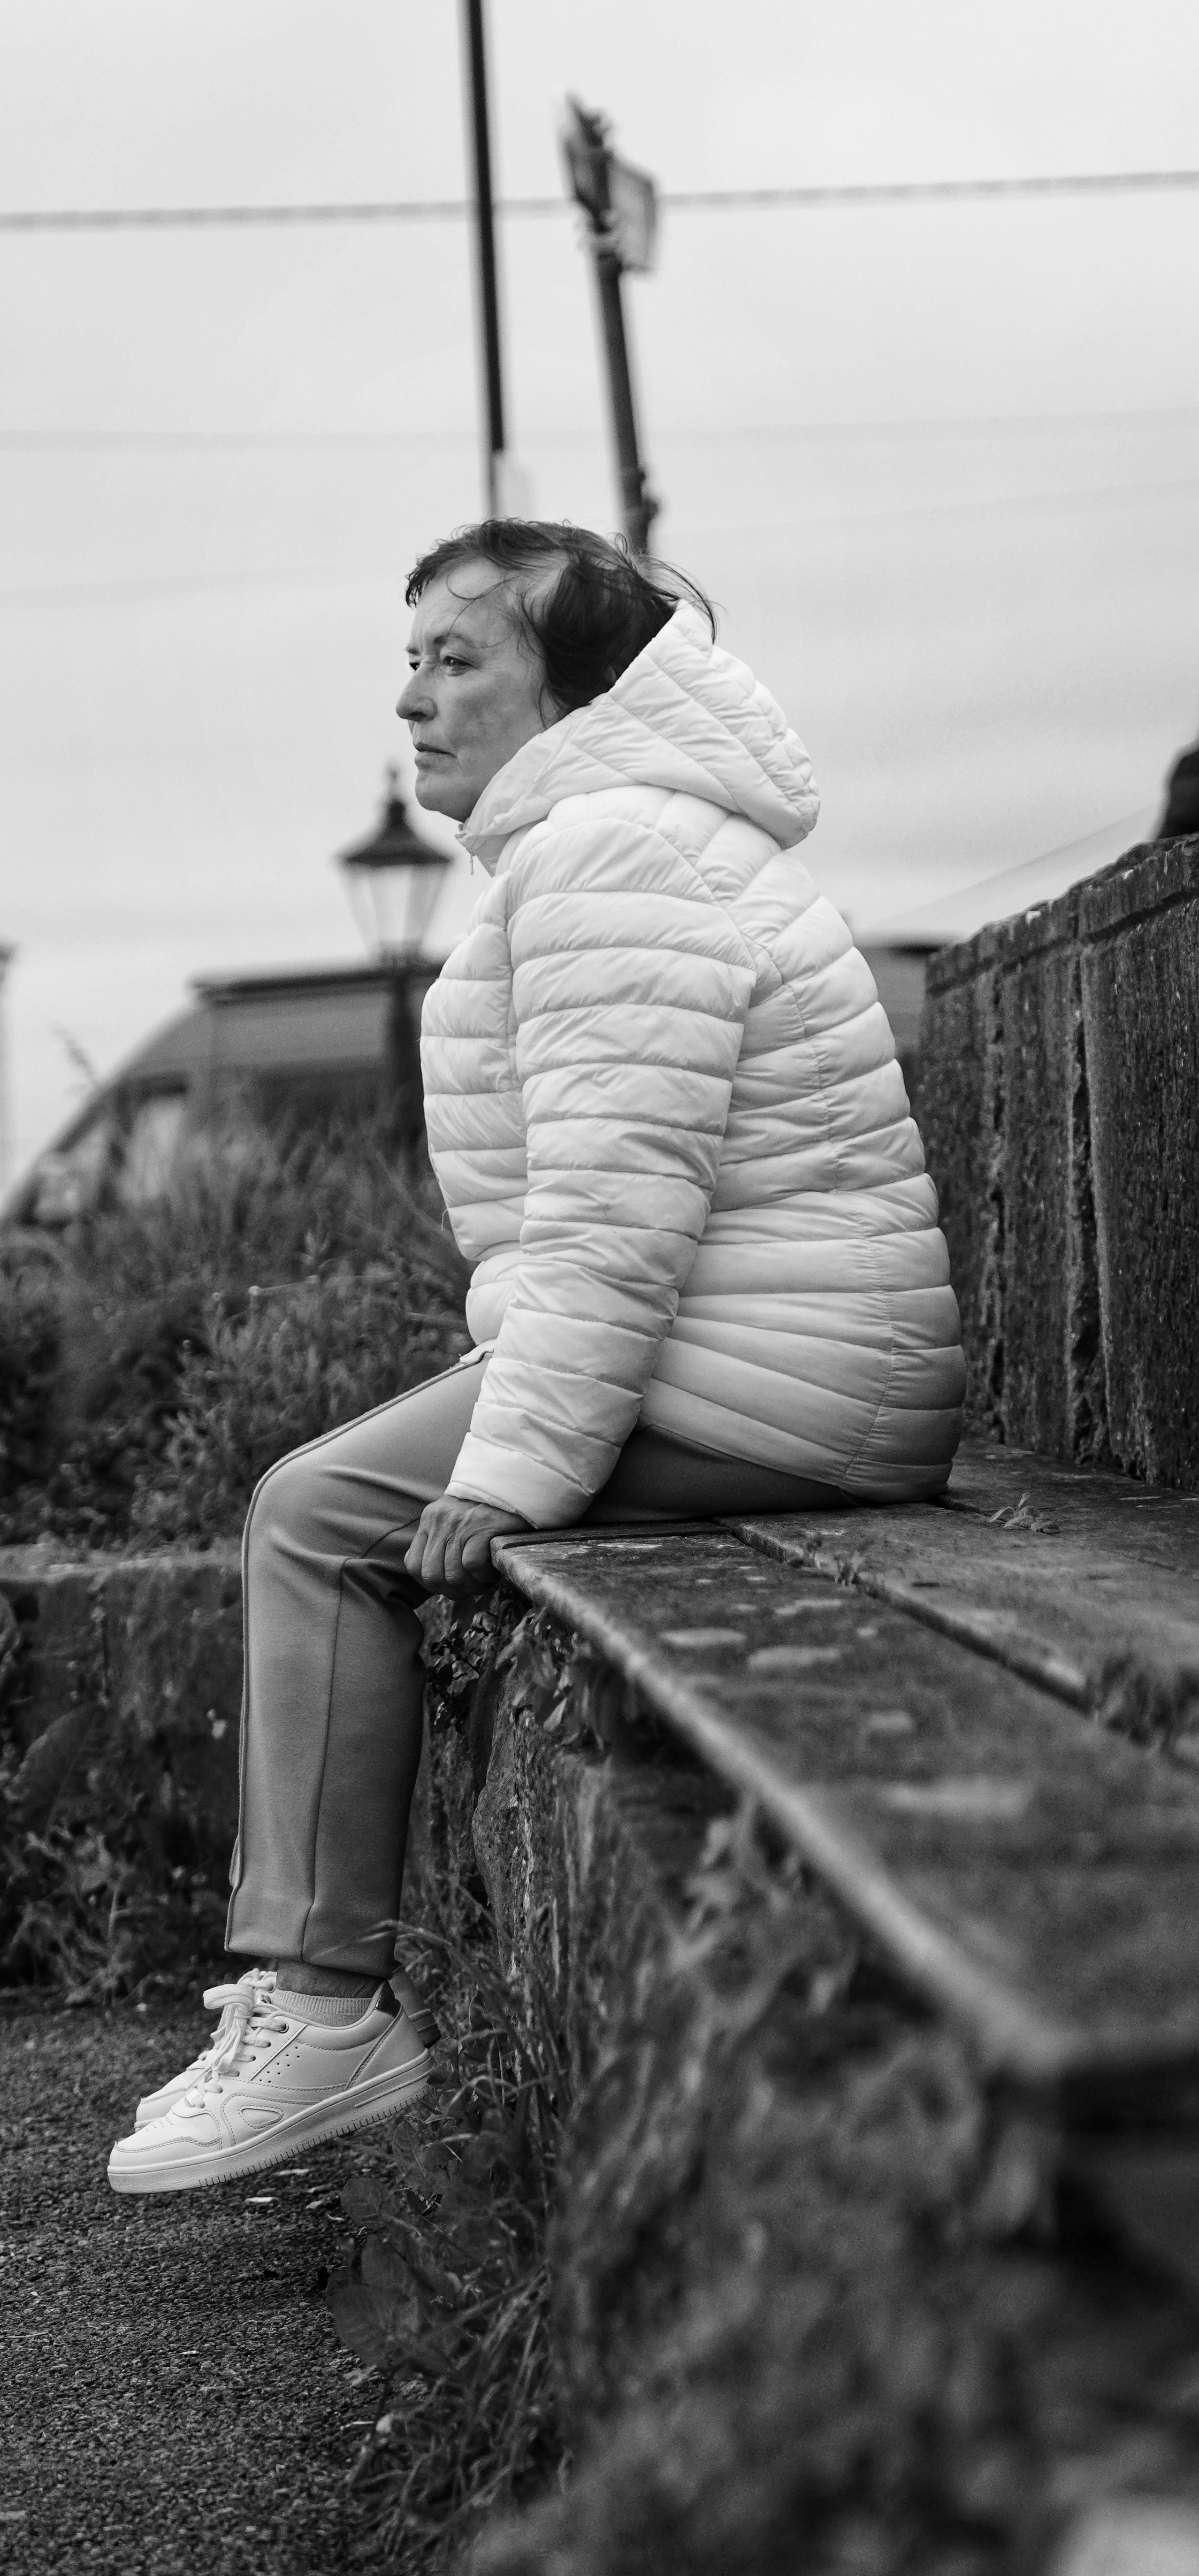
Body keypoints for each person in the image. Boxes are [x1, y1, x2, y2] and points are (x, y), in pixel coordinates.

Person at [107, 519, 965, 2197]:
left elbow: (613, 1219)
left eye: (459, 661)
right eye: (409, 662)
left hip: (778, 1383)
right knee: (332, 1496)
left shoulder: (609, 856)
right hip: (783, 1365)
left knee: (317, 1512)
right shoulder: (611, 842)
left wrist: (511, 1472)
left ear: (572, 686)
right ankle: (314, 1998)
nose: (414, 704)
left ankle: (328, 2012)